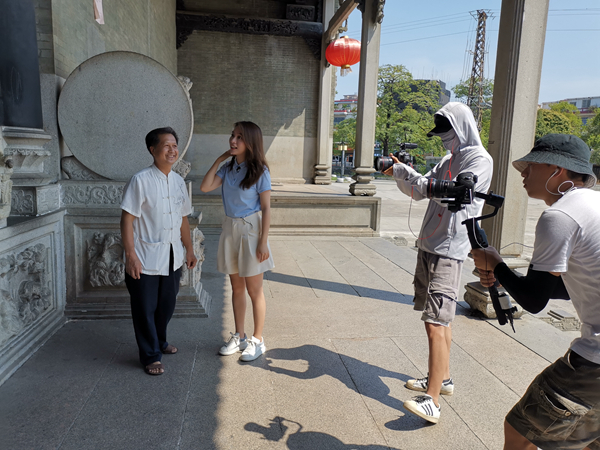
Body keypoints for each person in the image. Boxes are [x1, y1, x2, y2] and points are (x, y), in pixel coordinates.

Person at [471, 134, 600, 450]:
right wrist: (506, 276)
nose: (523, 173)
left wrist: (497, 264)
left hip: (594, 361)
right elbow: (572, 286)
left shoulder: (560, 216)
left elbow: (534, 300)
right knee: (584, 442)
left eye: (531, 166)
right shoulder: (594, 204)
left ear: (557, 169)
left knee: (520, 432)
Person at [382, 102, 493, 423]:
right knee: (440, 318)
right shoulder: (447, 159)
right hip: (430, 242)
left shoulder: (479, 159)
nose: (444, 139)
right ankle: (442, 379)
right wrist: (399, 171)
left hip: (450, 247)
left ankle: (432, 400)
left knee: (436, 320)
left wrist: (424, 183)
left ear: (460, 128)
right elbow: (419, 191)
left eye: (447, 132)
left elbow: (459, 191)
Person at [120, 127, 197, 376]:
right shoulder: (140, 180)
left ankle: (160, 341)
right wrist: (131, 255)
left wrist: (189, 249)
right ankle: (151, 355)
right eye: (166, 145)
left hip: (173, 256)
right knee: (145, 308)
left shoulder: (178, 182)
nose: (172, 150)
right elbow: (127, 219)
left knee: (166, 305)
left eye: (174, 145)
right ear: (153, 150)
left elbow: (183, 219)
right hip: (144, 256)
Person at [200, 121, 274, 362]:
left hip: (251, 231)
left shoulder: (260, 171)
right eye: (233, 135)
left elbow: (266, 208)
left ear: (250, 141)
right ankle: (239, 336)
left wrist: (263, 241)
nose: (233, 140)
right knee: (237, 288)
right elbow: (205, 186)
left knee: (254, 289)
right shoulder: (228, 168)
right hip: (230, 229)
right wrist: (220, 158)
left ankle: (258, 340)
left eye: (239, 137)